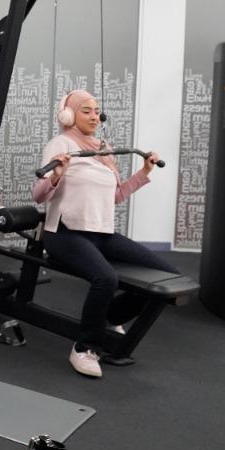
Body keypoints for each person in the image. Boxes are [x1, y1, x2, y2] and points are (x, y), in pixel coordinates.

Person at [31, 89, 180, 378]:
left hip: (102, 233)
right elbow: (38, 196)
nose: (94, 116)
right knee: (106, 278)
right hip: (65, 232)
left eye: (97, 111)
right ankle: (84, 348)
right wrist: (58, 175)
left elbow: (115, 196)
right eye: (86, 110)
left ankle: (111, 316)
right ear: (69, 114)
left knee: (168, 275)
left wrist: (144, 173)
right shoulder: (60, 145)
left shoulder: (103, 148)